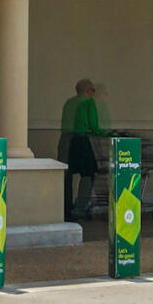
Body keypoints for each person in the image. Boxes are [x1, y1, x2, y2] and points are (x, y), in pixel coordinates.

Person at [61, 78, 108, 221]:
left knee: (66, 175)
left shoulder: (69, 102)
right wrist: (107, 134)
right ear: (89, 91)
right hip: (80, 141)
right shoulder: (88, 102)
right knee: (88, 174)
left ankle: (65, 209)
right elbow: (93, 126)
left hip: (64, 140)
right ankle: (80, 207)